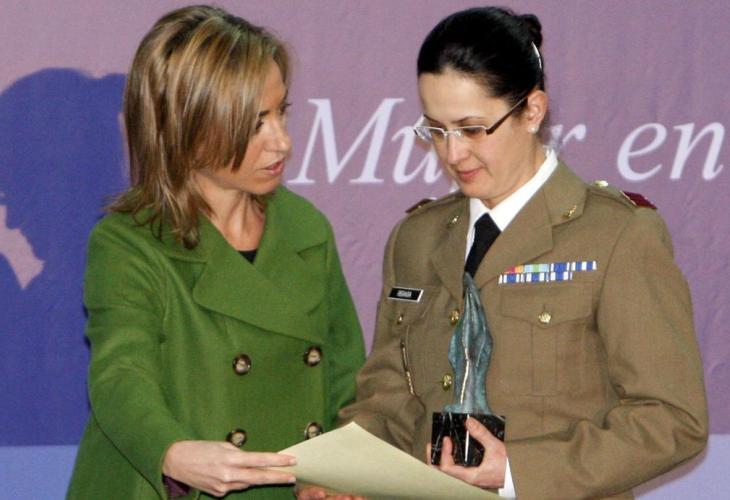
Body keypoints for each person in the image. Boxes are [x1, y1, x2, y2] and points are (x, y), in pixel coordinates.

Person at [300, 6, 707, 500]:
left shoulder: (617, 235)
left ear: (532, 111)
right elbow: (387, 399)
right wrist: (342, 473)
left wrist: (516, 471)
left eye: (472, 129)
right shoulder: (416, 238)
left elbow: (672, 419)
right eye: (436, 130)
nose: (453, 154)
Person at [67, 5, 365, 499]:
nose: (282, 142)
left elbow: (345, 376)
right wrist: (172, 452)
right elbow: (121, 375)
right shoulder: (129, 242)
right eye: (254, 124)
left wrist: (337, 471)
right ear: (185, 127)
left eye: (281, 112)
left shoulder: (305, 227)